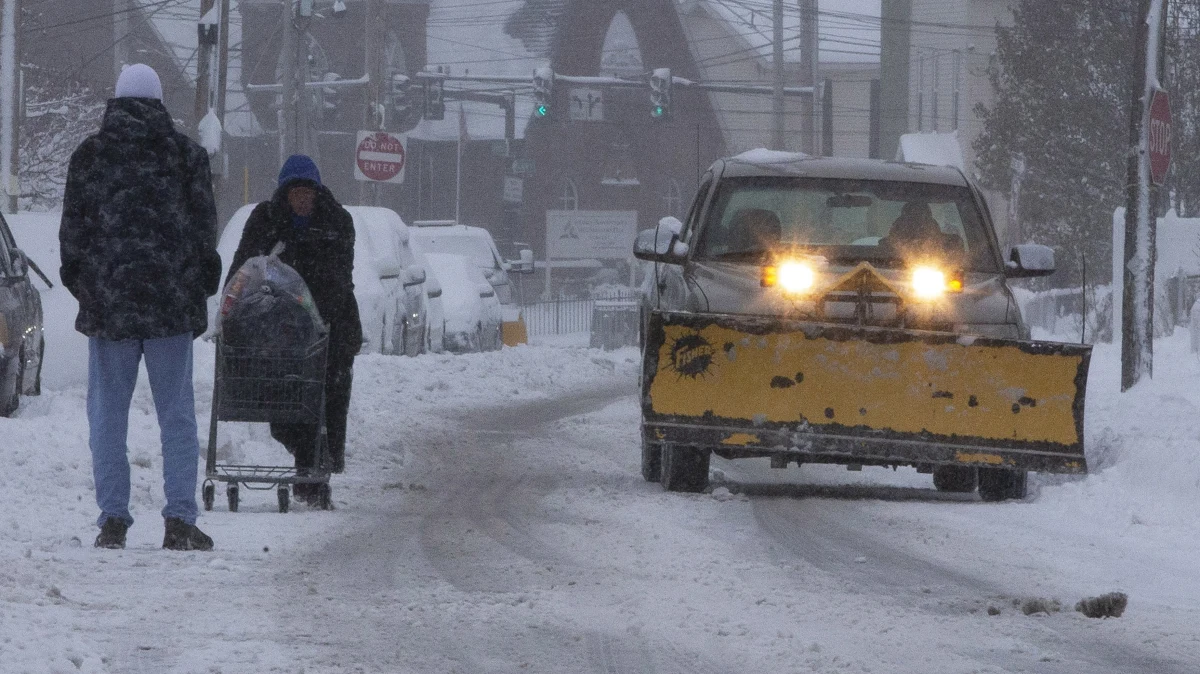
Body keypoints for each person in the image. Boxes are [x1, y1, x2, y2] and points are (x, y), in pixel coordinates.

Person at [59, 64, 221, 551]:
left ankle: (112, 519)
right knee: (177, 416)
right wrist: (196, 284)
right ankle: (179, 521)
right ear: (157, 101)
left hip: (110, 308)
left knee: (108, 415)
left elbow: (73, 233)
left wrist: (87, 285)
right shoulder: (185, 155)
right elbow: (202, 230)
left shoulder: (90, 156)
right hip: (170, 305)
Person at [226, 155, 361, 502]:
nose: (302, 199)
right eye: (295, 192)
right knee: (280, 397)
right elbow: (243, 269)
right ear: (284, 194)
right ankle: (309, 463)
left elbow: (338, 280)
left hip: (329, 325)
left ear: (317, 194)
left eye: (308, 192)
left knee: (323, 392)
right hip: (274, 327)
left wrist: (312, 316)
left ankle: (315, 466)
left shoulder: (336, 222)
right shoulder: (265, 220)